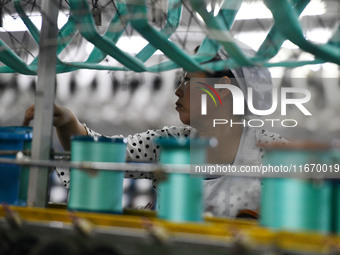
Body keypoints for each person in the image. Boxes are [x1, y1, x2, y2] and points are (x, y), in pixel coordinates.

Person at [23, 43, 286, 218]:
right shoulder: (168, 143)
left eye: (188, 80)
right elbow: (100, 154)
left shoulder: (274, 153)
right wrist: (68, 122)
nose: (178, 90)